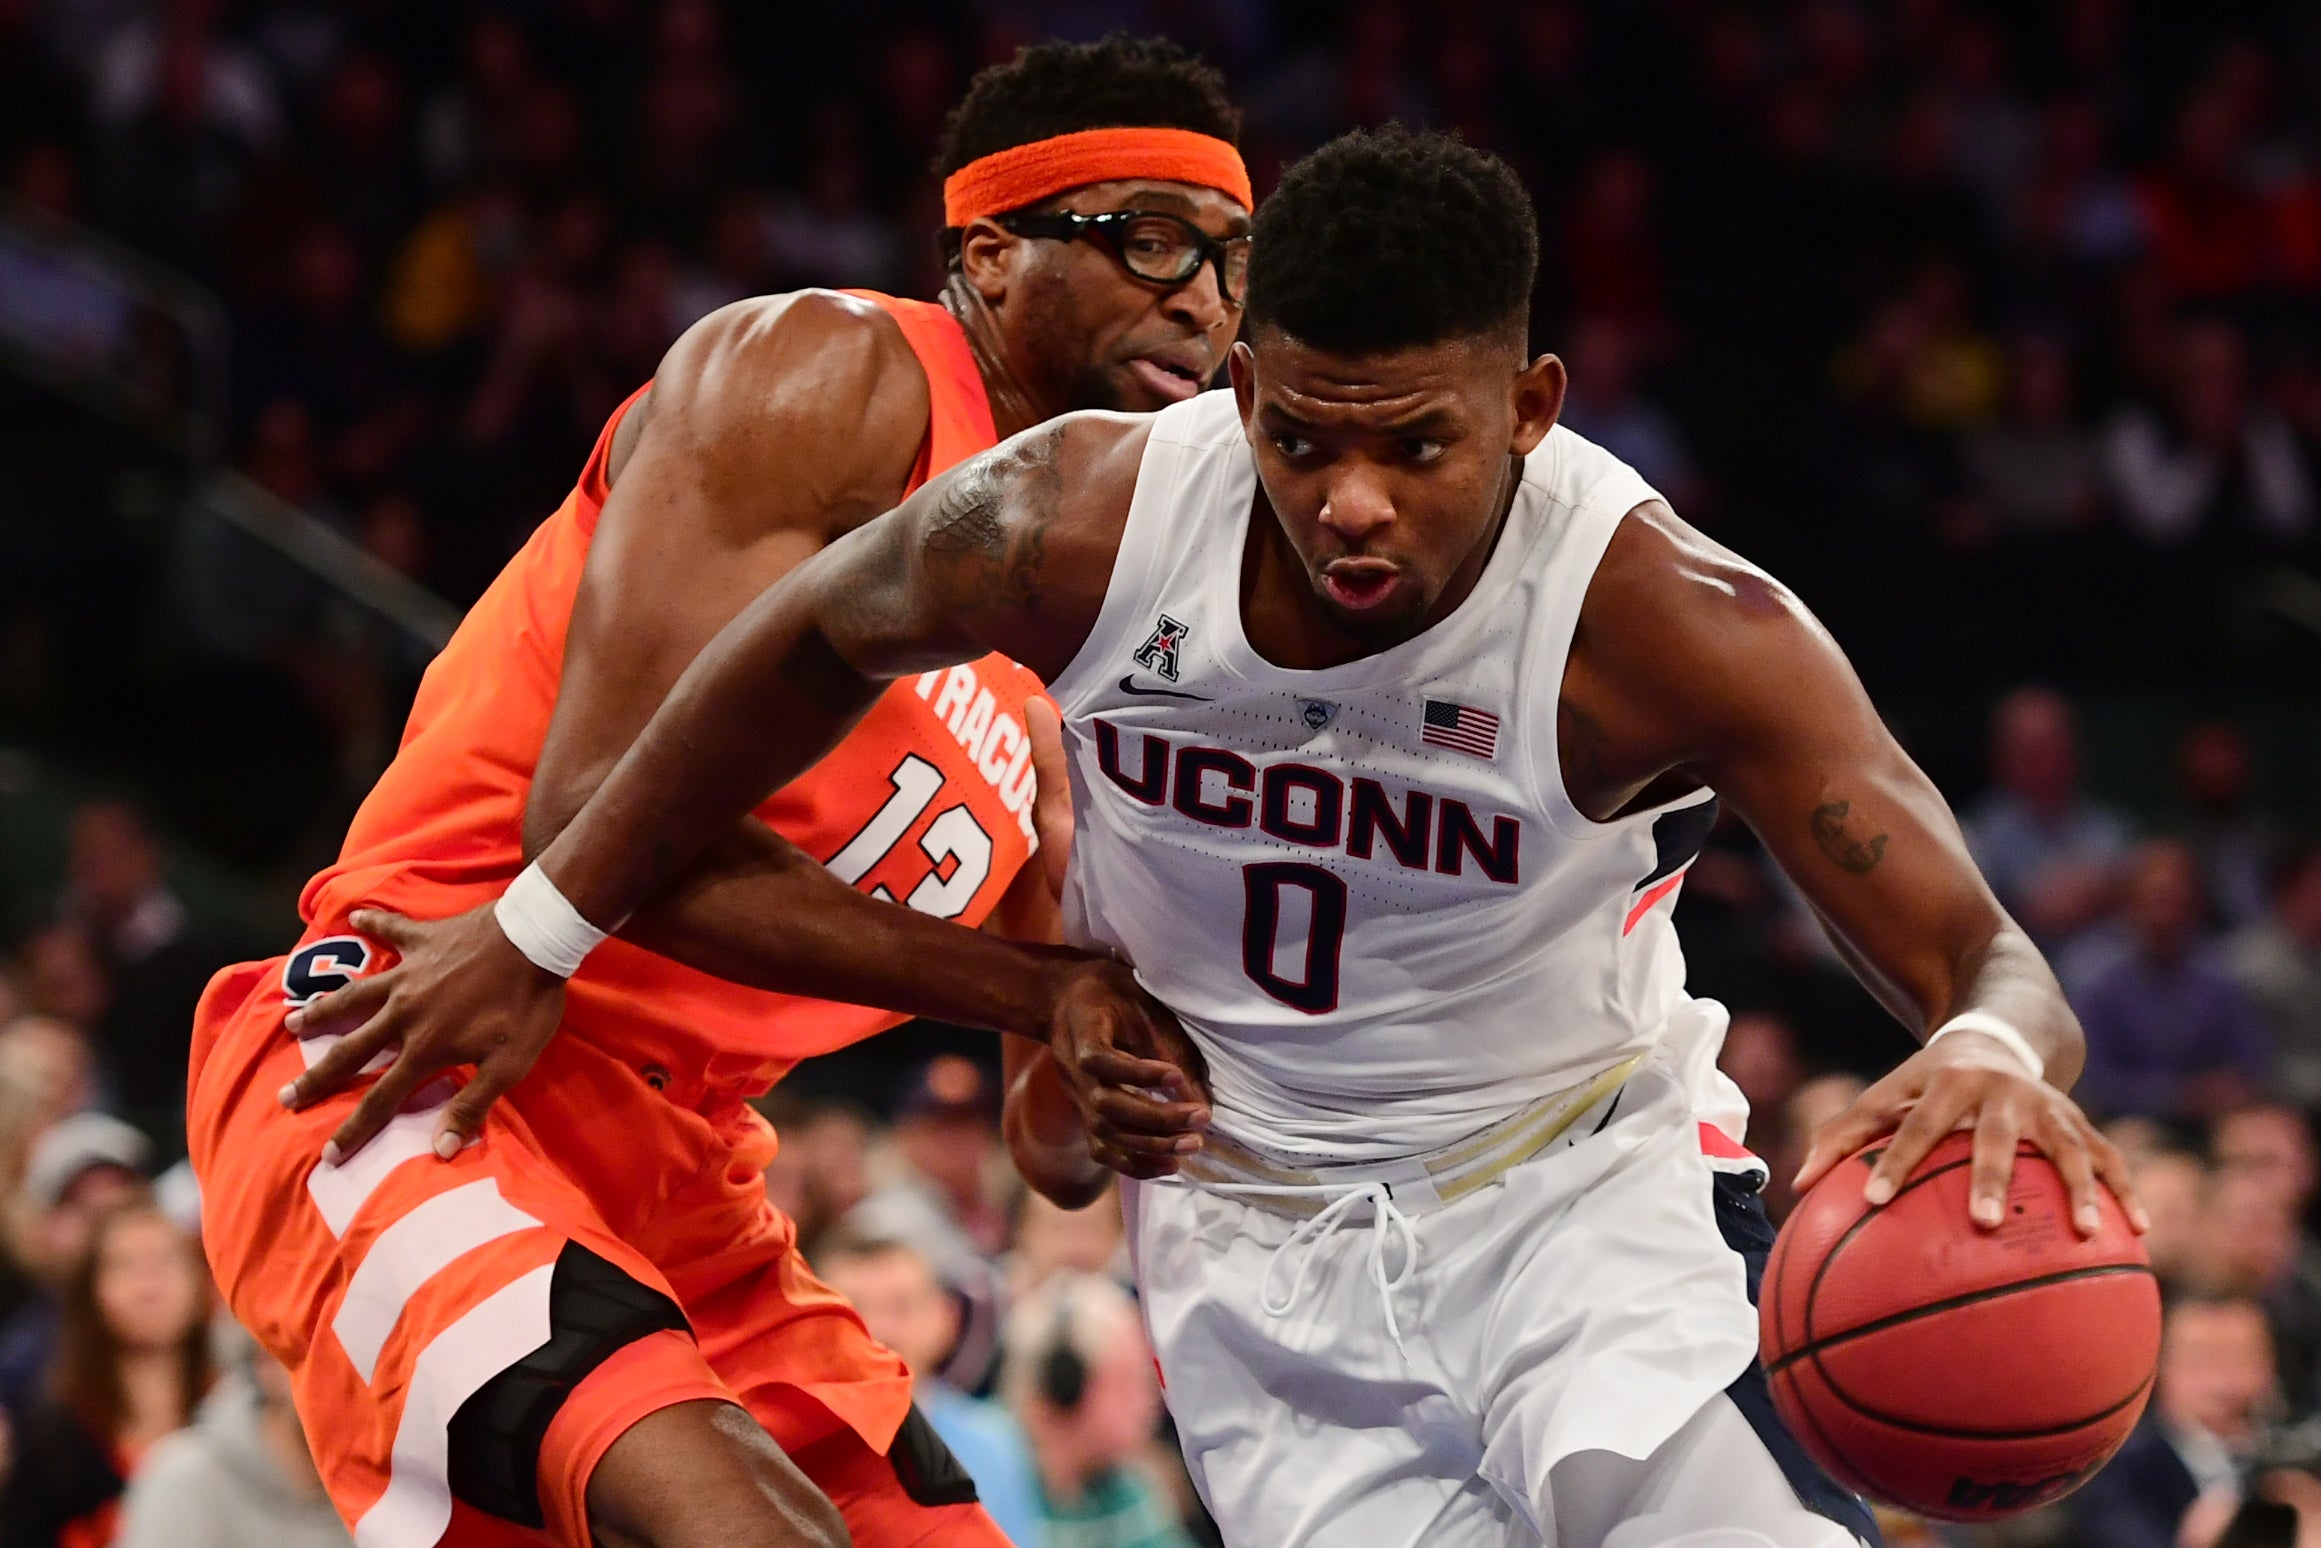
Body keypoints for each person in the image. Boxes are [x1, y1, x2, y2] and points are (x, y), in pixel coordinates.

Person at [313, 127, 2142, 1546]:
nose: (1353, 501)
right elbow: (782, 647)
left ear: (1529, 406)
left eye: (1417, 448)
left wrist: (1986, 1049)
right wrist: (538, 926)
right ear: (1248, 391)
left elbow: (1979, 950)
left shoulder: (1662, 619)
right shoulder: (1079, 520)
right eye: (1307, 438)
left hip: (1573, 1200)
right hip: (1252, 1250)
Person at [189, 35, 1247, 1548]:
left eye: (1229, 266)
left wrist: (1148, 1020)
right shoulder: (832, 371)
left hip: (697, 1184)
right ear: (993, 251)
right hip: (428, 1037)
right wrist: (1046, 985)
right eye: (1149, 244)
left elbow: (1049, 1144)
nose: (1199, 302)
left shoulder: (1094, 643)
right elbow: (604, 811)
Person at [0, 1198, 213, 1548]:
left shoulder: (238, 1419)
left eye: (168, 1260)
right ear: (92, 1289)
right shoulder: (47, 1440)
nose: (150, 1280)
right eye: (125, 1264)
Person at [815, 1230, 1043, 1548]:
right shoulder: (792, 1448)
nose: (880, 1330)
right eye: (855, 1311)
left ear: (946, 1318)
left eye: (902, 1307)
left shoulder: (996, 1443)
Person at [2074, 840, 2272, 1123]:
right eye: (2158, 898)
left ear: (2197, 904)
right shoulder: (2094, 978)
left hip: (2214, 1121)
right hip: (2126, 1125)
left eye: (2178, 898)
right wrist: (2178, 1096)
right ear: (2130, 904)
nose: (2168, 912)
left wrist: (2231, 1089)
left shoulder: (2221, 976)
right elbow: (2093, 1083)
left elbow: (2252, 1062)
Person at [999, 1273, 1194, 1548]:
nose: (1149, 1401)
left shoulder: (1127, 1488)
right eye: (1130, 1381)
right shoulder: (990, 1481)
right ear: (1065, 1387)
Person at [2069, 1293, 2278, 1548]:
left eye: (2240, 1359)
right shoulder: (2119, 1470)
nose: (2222, 1382)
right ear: (2160, 1369)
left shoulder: (2292, 1458)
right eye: (2201, 1361)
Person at [114, 1341, 357, 1548]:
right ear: (269, 1364)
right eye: (331, 1364)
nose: (352, 1392)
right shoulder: (185, 1482)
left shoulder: (378, 1503)